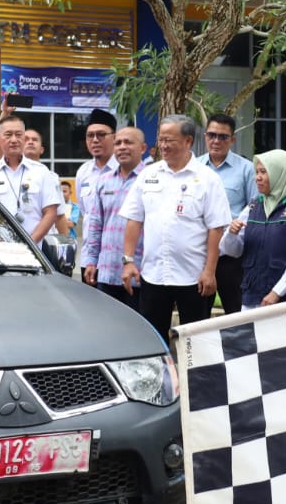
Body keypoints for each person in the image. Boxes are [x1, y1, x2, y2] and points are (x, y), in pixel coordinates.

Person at [119, 115, 231, 343]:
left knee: (195, 343)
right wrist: (128, 260)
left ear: (188, 141)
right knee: (152, 340)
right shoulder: (148, 175)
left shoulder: (207, 179)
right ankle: (160, 379)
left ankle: (194, 379)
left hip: (193, 277)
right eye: (161, 140)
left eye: (170, 140)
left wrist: (209, 271)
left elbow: (215, 228)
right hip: (153, 275)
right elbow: (133, 219)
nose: (163, 146)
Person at [219, 150, 286, 311]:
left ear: (280, 174)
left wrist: (277, 291)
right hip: (253, 298)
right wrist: (231, 234)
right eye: (256, 172)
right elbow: (232, 251)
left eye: (263, 172)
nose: (257, 177)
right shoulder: (254, 206)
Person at [198, 113, 260, 314]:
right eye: (212, 135)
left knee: (236, 314)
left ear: (232, 140)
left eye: (223, 137)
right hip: (199, 253)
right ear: (205, 136)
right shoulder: (194, 167)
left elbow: (255, 207)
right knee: (197, 316)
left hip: (230, 257)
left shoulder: (246, 169)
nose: (216, 141)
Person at [82, 127, 149, 308]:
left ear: (143, 148)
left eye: (128, 142)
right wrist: (91, 261)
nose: (122, 147)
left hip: (140, 274)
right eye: (118, 143)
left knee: (138, 330)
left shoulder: (151, 180)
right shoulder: (103, 181)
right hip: (107, 272)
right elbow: (95, 225)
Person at [0, 115, 61, 243]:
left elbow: (51, 212)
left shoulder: (41, 172)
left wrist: (30, 244)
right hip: (0, 251)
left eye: (19, 135)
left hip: (36, 252)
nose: (14, 139)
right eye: (8, 134)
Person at [73, 109, 120, 250]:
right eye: (90, 135)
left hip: (118, 254)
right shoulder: (83, 172)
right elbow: (84, 210)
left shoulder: (125, 170)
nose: (95, 140)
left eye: (101, 135)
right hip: (90, 253)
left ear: (115, 138)